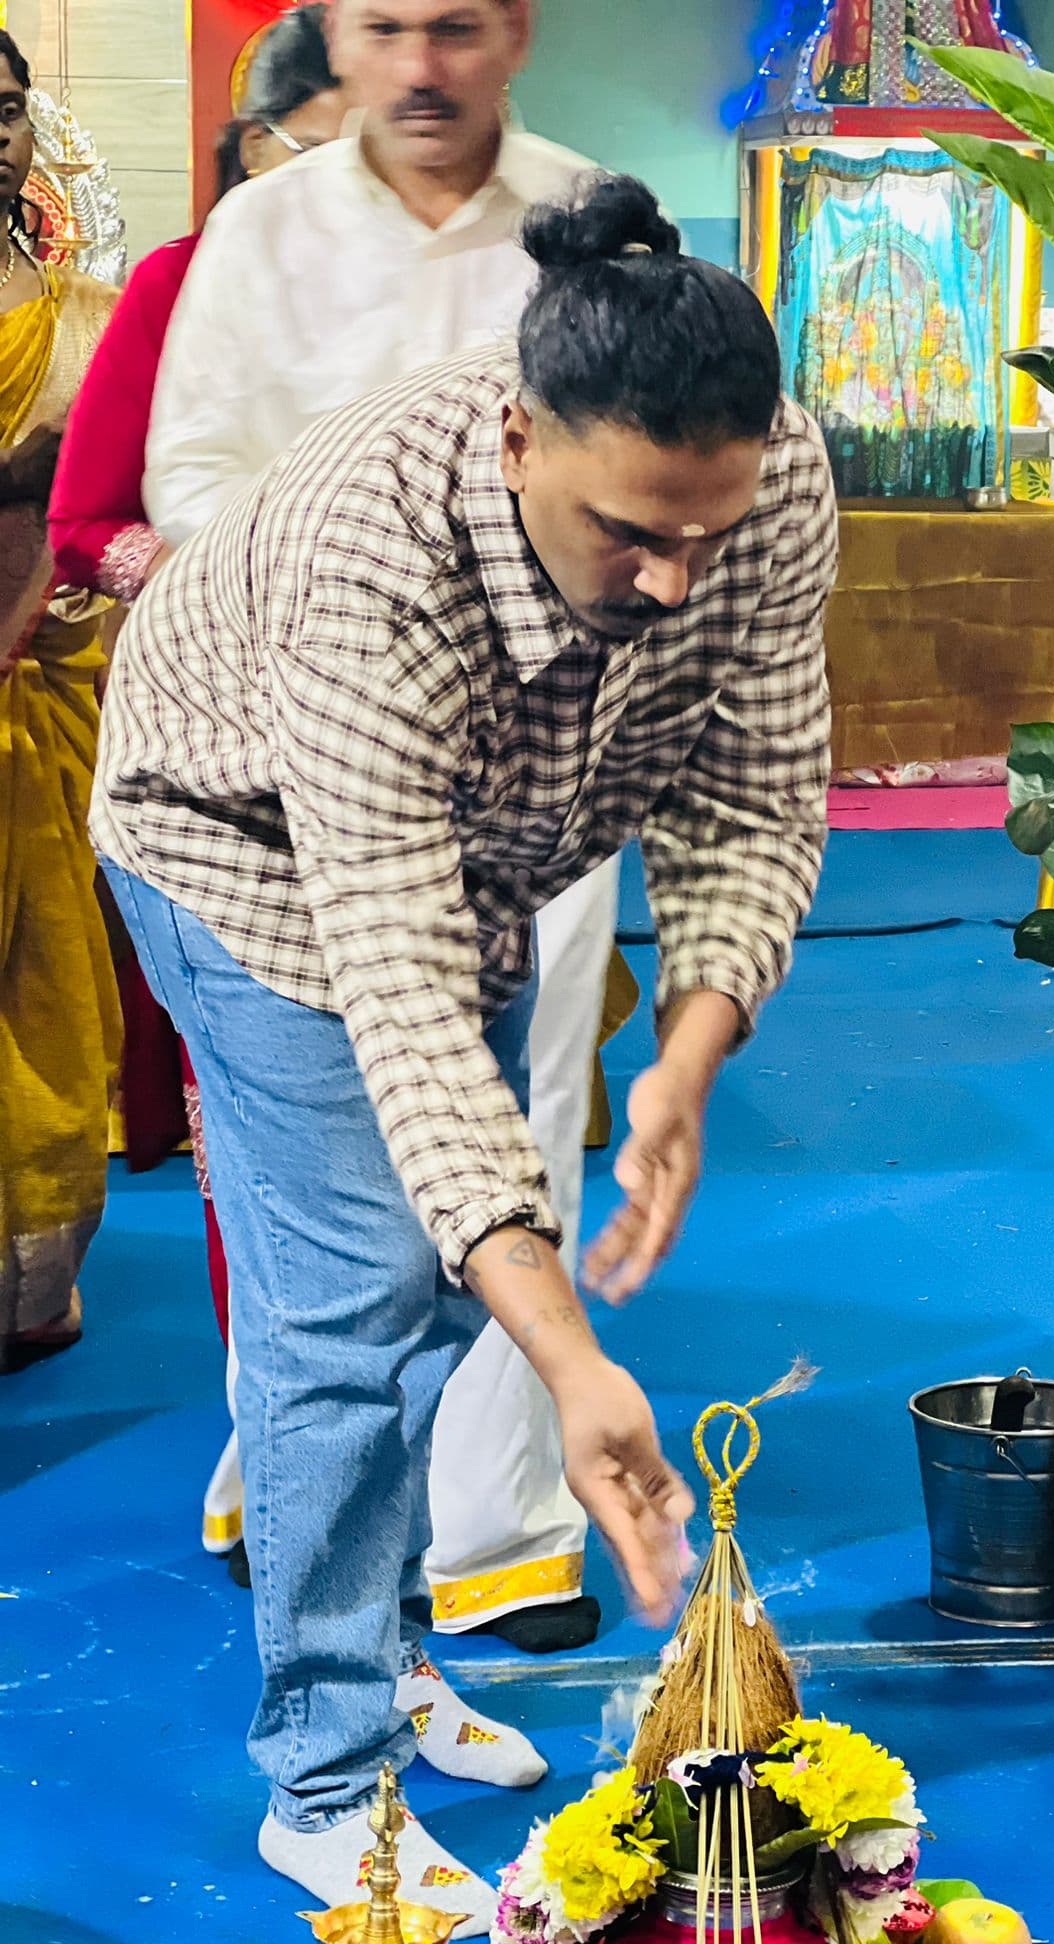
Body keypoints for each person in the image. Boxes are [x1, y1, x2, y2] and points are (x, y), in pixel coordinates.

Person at [93, 173, 835, 1930]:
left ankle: (388, 1642)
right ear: (518, 439)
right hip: (245, 848)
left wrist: (689, 1053)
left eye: (707, 534)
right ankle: (325, 1781)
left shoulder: (768, 473)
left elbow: (758, 774)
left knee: (438, 1289)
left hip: (489, 863)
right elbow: (404, 996)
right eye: (631, 537)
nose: (677, 578)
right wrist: (577, 1366)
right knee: (347, 1298)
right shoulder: (380, 548)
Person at [142, 0, 616, 1651]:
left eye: (458, 28)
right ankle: (299, 1486)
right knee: (310, 1172)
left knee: (525, 1114)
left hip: (549, 755)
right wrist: (354, 585)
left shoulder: (590, 217)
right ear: (334, 43)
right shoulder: (260, 236)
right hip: (307, 770)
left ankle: (496, 1526)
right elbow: (187, 473)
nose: (422, 67)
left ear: (518, 37)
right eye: (389, 28)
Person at [47, 2, 347, 1575]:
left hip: (441, 795)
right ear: (260, 149)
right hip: (234, 779)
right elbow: (89, 523)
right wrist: (234, 572)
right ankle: (269, 1438)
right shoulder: (175, 291)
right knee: (265, 1139)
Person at [0, 31, 121, 1372]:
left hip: (64, 691)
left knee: (51, 996)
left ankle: (33, 1284)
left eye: (9, 108)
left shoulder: (88, 314)